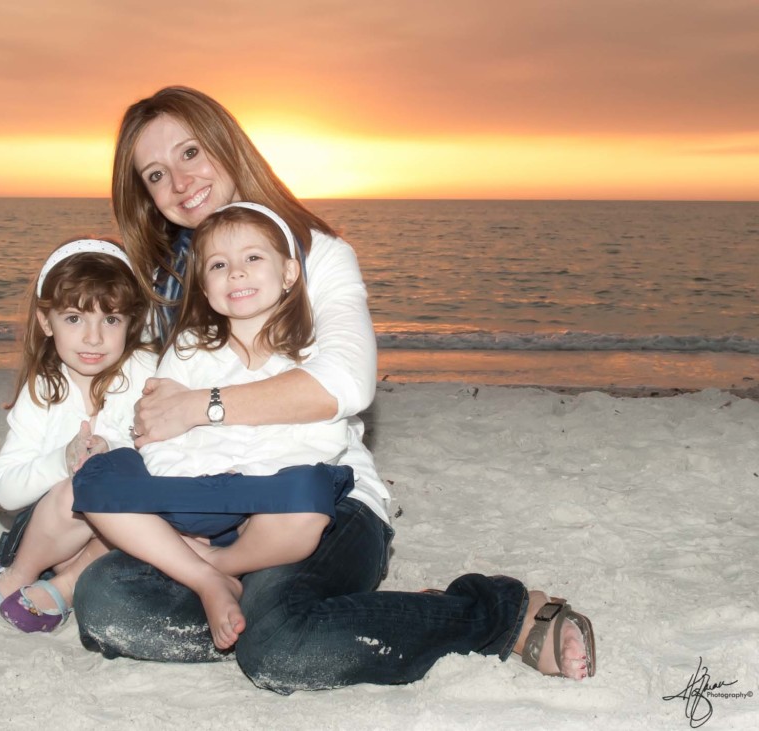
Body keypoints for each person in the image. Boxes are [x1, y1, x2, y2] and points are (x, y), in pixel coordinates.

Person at [68, 86, 596, 693]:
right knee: (106, 602)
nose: (181, 181)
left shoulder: (319, 257)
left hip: (318, 499)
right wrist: (95, 449)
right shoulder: (171, 284)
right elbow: (138, 401)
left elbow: (345, 383)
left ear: (226, 144)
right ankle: (337, 615)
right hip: (205, 509)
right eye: (157, 174)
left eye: (191, 152)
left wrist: (201, 407)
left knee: (281, 651)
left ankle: (499, 613)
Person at [71, 202, 355, 650]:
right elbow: (154, 426)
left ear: (289, 274)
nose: (236, 274)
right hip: (191, 486)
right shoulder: (189, 348)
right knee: (97, 480)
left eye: (253, 258)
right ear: (205, 287)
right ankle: (204, 577)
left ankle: (220, 563)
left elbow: (326, 435)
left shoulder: (312, 352)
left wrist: (252, 464)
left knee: (312, 503)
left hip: (269, 493)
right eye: (219, 265)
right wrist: (182, 473)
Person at [0, 239, 156, 632]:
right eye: (74, 318)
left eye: (110, 320)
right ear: (46, 321)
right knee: (80, 486)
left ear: (132, 321)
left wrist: (119, 451)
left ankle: (68, 584)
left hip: (122, 536)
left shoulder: (147, 372)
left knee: (132, 498)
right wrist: (63, 459)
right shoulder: (44, 386)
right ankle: (20, 572)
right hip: (53, 526)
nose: (93, 338)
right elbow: (6, 491)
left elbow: (173, 458)